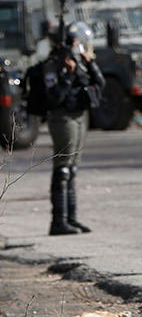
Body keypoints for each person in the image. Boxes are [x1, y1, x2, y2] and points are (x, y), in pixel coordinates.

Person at [47, 21, 105, 236]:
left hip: (80, 115)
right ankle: (58, 221)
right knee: (62, 168)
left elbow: (99, 84)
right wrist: (68, 75)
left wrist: (90, 64)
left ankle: (71, 219)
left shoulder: (79, 62)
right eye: (76, 41)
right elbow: (54, 97)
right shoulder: (54, 64)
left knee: (72, 169)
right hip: (63, 117)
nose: (80, 45)